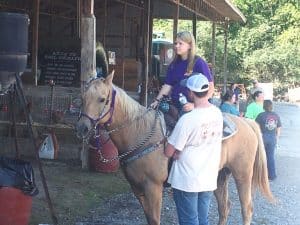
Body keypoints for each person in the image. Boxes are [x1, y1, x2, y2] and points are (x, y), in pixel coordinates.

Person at [165, 73, 223, 225]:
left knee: (189, 221)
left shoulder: (188, 119)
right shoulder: (217, 113)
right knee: (202, 220)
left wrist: (178, 150)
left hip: (187, 180)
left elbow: (168, 152)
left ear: (190, 93)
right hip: (208, 177)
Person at [150, 31, 213, 114]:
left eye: (180, 43)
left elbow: (210, 88)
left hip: (192, 108)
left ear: (190, 45)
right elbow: (167, 85)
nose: (176, 46)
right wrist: (157, 101)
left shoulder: (199, 63)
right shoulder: (173, 64)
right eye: (176, 43)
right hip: (174, 105)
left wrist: (194, 105)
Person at [256, 100, 282, 180]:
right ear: (271, 106)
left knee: (260, 156)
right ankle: (272, 175)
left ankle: (259, 175)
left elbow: (256, 126)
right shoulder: (276, 115)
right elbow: (279, 127)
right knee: (270, 157)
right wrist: (277, 137)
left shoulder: (261, 115)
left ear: (264, 106)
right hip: (272, 137)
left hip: (263, 137)